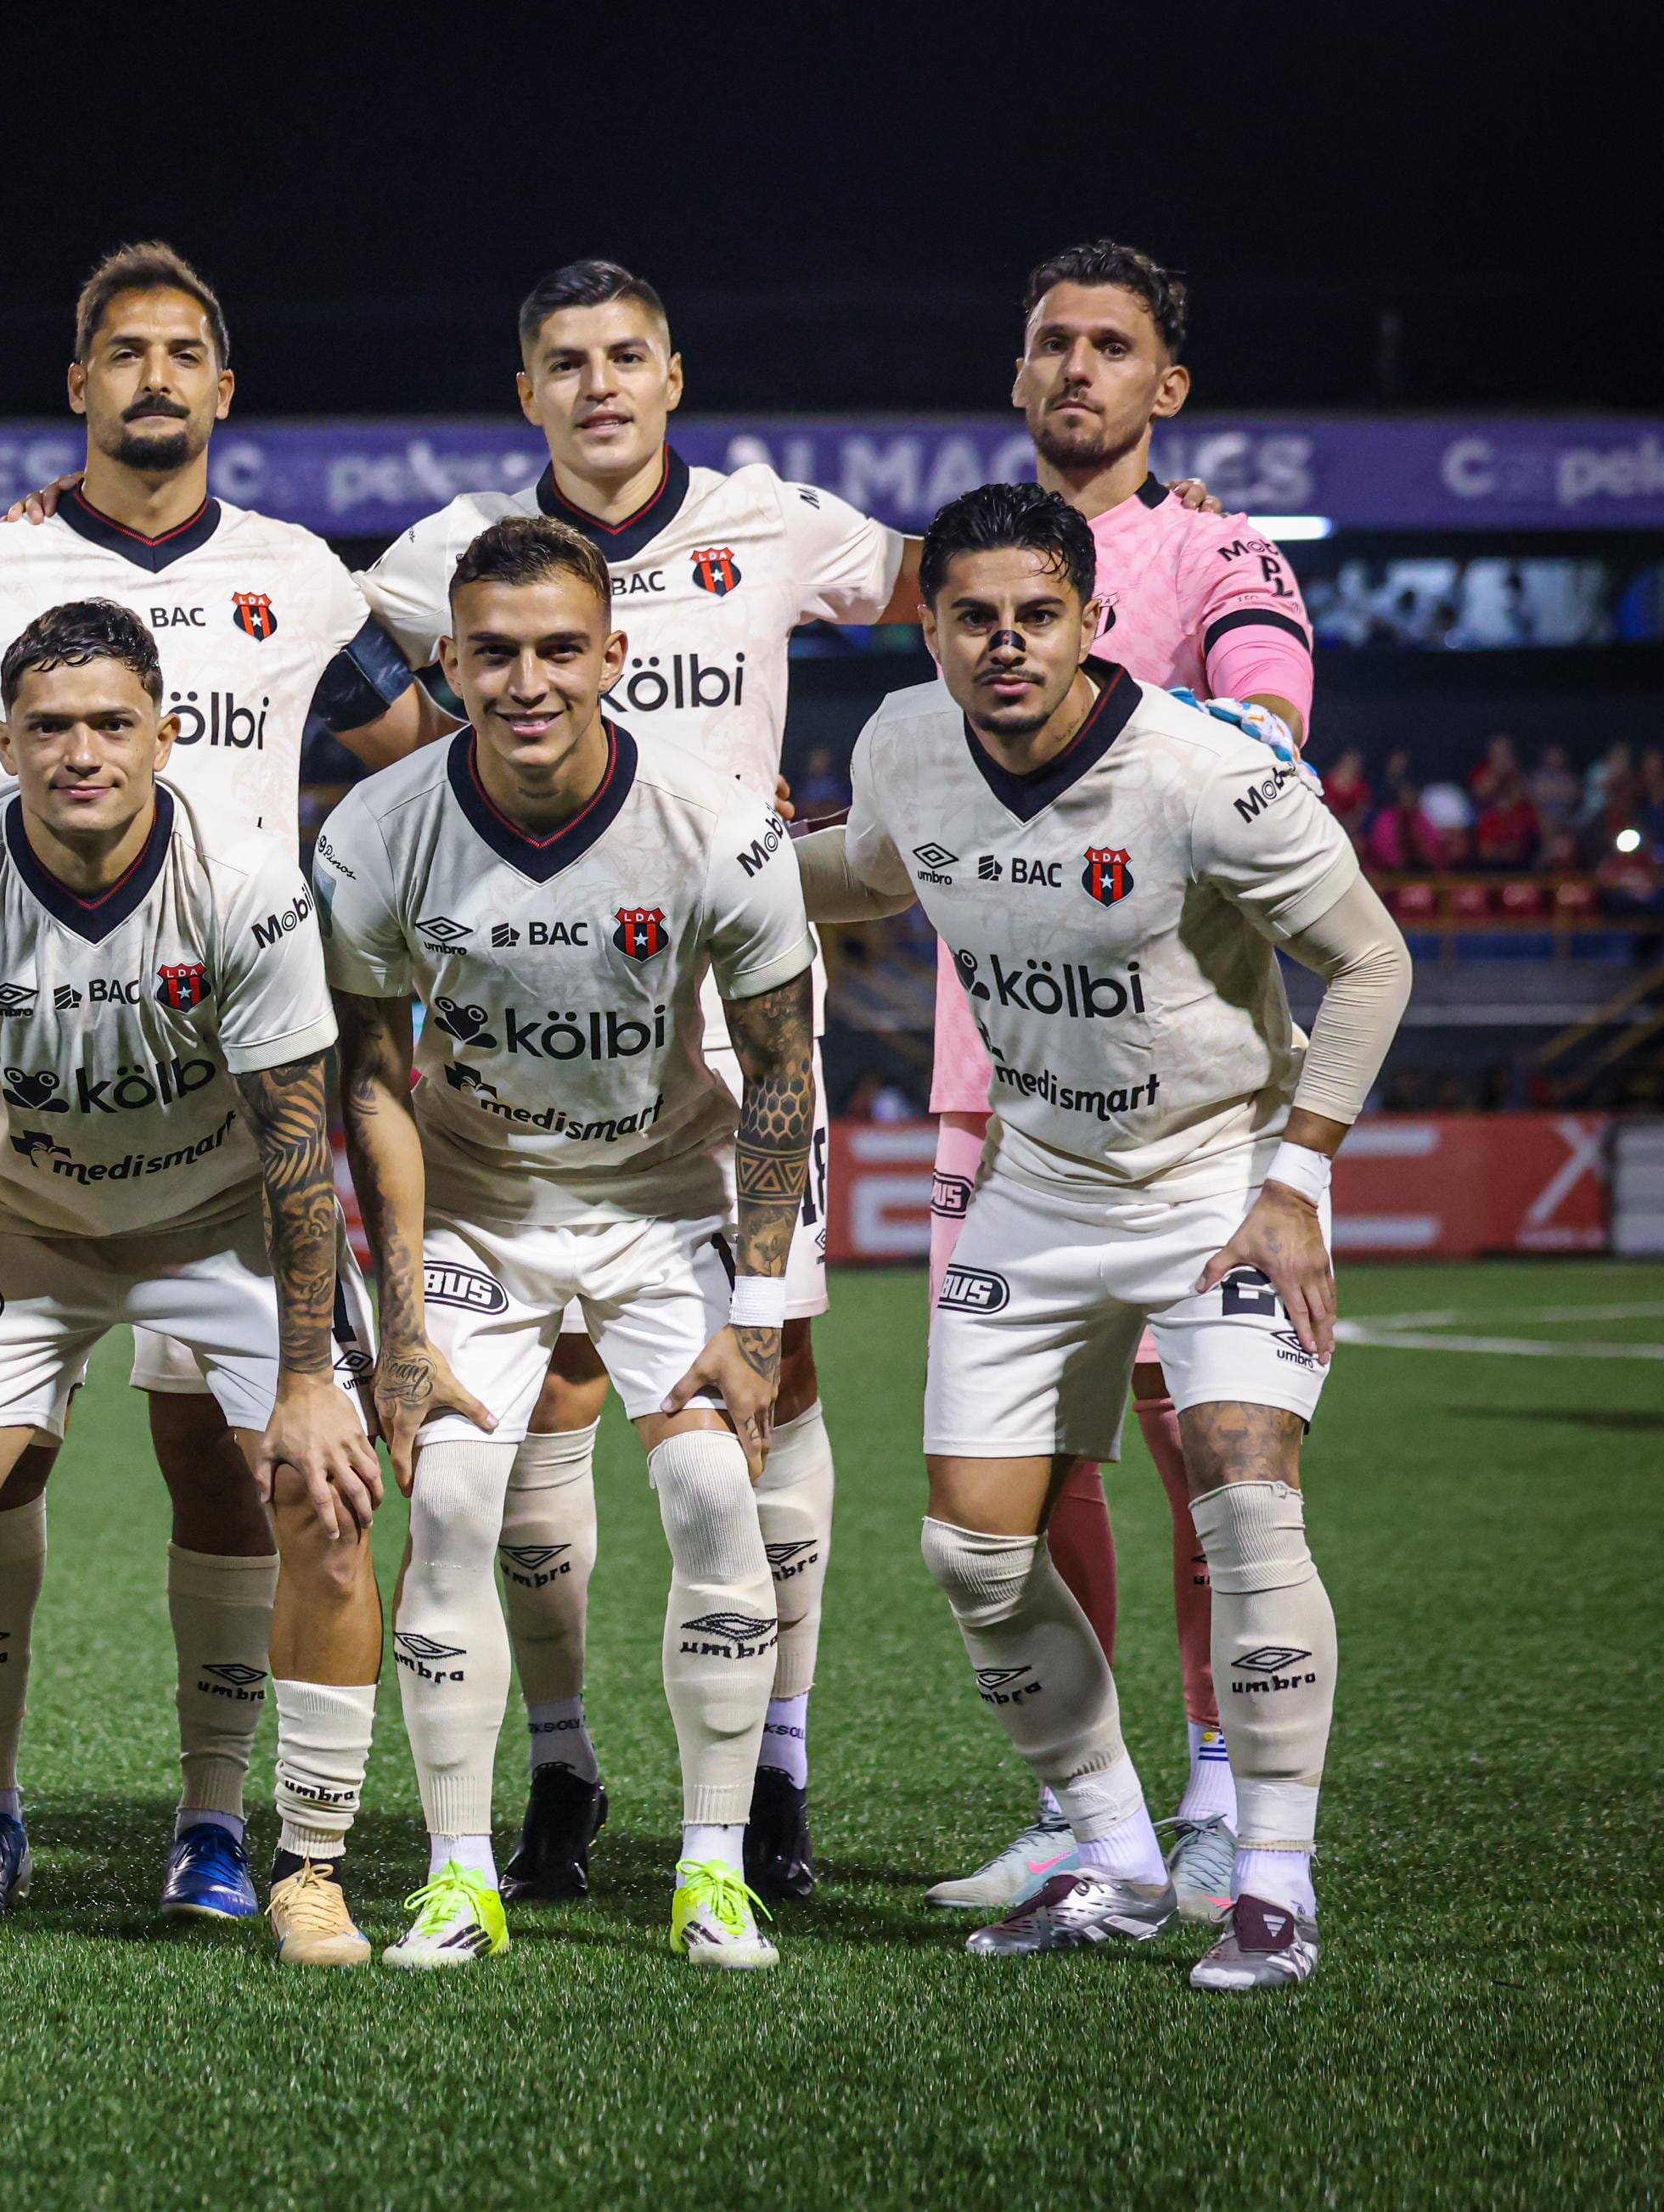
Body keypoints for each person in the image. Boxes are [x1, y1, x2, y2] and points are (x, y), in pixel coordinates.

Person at [0, 240, 443, 1920]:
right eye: (124, 351)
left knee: (253, 1473)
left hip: (223, 1116)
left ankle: (231, 1831)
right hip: (27, 1156)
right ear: (80, 380)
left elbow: (418, 764)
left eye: (185, 352)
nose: (155, 376)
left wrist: (385, 916)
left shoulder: (301, 576)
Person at [802, 483, 1407, 1991]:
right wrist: (678, 857)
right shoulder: (904, 740)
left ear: (1092, 618)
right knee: (972, 1546)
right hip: (1040, 1181)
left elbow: (1373, 956)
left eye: (1036, 614)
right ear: (933, 623)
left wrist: (1300, 1177)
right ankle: (1115, 1851)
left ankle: (1273, 1876)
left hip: (1219, 1179)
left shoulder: (1204, 771)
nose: (1005, 644)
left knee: (1246, 1491)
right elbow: (870, 867)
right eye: (971, 616)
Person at [355, 261, 903, 1907]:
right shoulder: (434, 560)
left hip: (726, 1027)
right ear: (524, 389)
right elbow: (330, 689)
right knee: (524, 1429)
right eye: (563, 363)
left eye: (625, 357)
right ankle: (561, 1768)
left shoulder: (773, 522)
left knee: (766, 1386)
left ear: (674, 373)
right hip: (508, 1033)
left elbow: (964, 590)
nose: (598, 386)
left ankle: (776, 1768)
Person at [318, 515, 818, 1972]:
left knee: (720, 1496)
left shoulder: (719, 820)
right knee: (460, 1509)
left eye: (556, 649)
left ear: (612, 654)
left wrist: (766, 1302)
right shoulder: (377, 828)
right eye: (492, 651)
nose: (525, 679)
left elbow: (781, 1067)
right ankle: (459, 1871)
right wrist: (400, 1324)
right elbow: (368, 1077)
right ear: (449, 658)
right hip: (480, 1207)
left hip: (669, 1208)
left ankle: (714, 1866)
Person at [0, 600, 364, 1966]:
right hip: (26, 1218)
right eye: (52, 727)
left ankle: (299, 1861)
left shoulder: (249, 885)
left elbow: (297, 1145)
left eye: (112, 723)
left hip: (219, 1219)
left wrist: (312, 1382)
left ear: (166, 733)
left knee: (322, 1486)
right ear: (1, 739)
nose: (83, 751)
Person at [928, 243, 1324, 1921]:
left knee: (1206, 1455)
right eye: (1049, 344)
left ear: (1164, 386)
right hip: (989, 1079)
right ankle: (1095, 1830)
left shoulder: (1215, 545)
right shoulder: (970, 565)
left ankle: (1223, 1799)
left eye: (1111, 346)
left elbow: (1268, 726)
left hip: (1180, 1091)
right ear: (1017, 380)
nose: (1075, 367)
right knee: (1024, 1474)